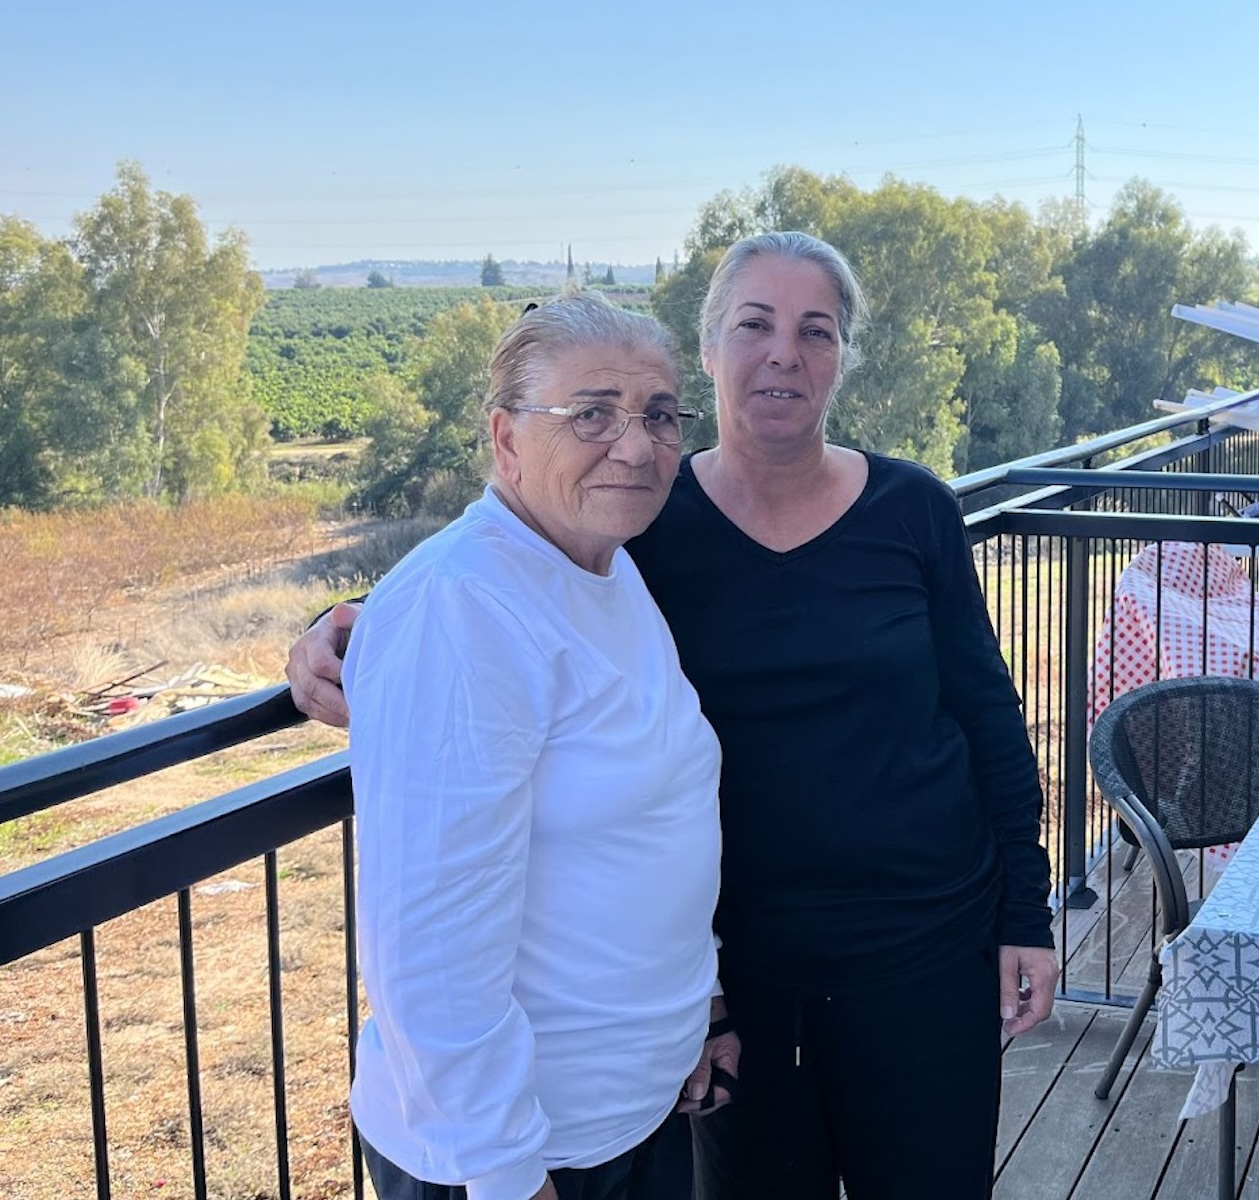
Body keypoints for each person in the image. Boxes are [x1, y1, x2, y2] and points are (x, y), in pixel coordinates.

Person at [290, 233, 1058, 1200]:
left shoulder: (906, 511)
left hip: (917, 954)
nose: (784, 352)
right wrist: (346, 623)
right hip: (748, 976)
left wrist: (1023, 912)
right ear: (710, 346)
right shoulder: (647, 517)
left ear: (840, 358)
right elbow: (495, 565)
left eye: (814, 331)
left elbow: (989, 717)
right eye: (754, 324)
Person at [341, 292, 730, 1200]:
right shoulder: (462, 607)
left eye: (659, 415)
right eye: (590, 413)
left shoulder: (605, 567)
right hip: (518, 1158)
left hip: (628, 1116)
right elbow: (430, 944)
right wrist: (506, 1172)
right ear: (507, 436)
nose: (634, 445)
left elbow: (651, 824)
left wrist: (697, 1009)